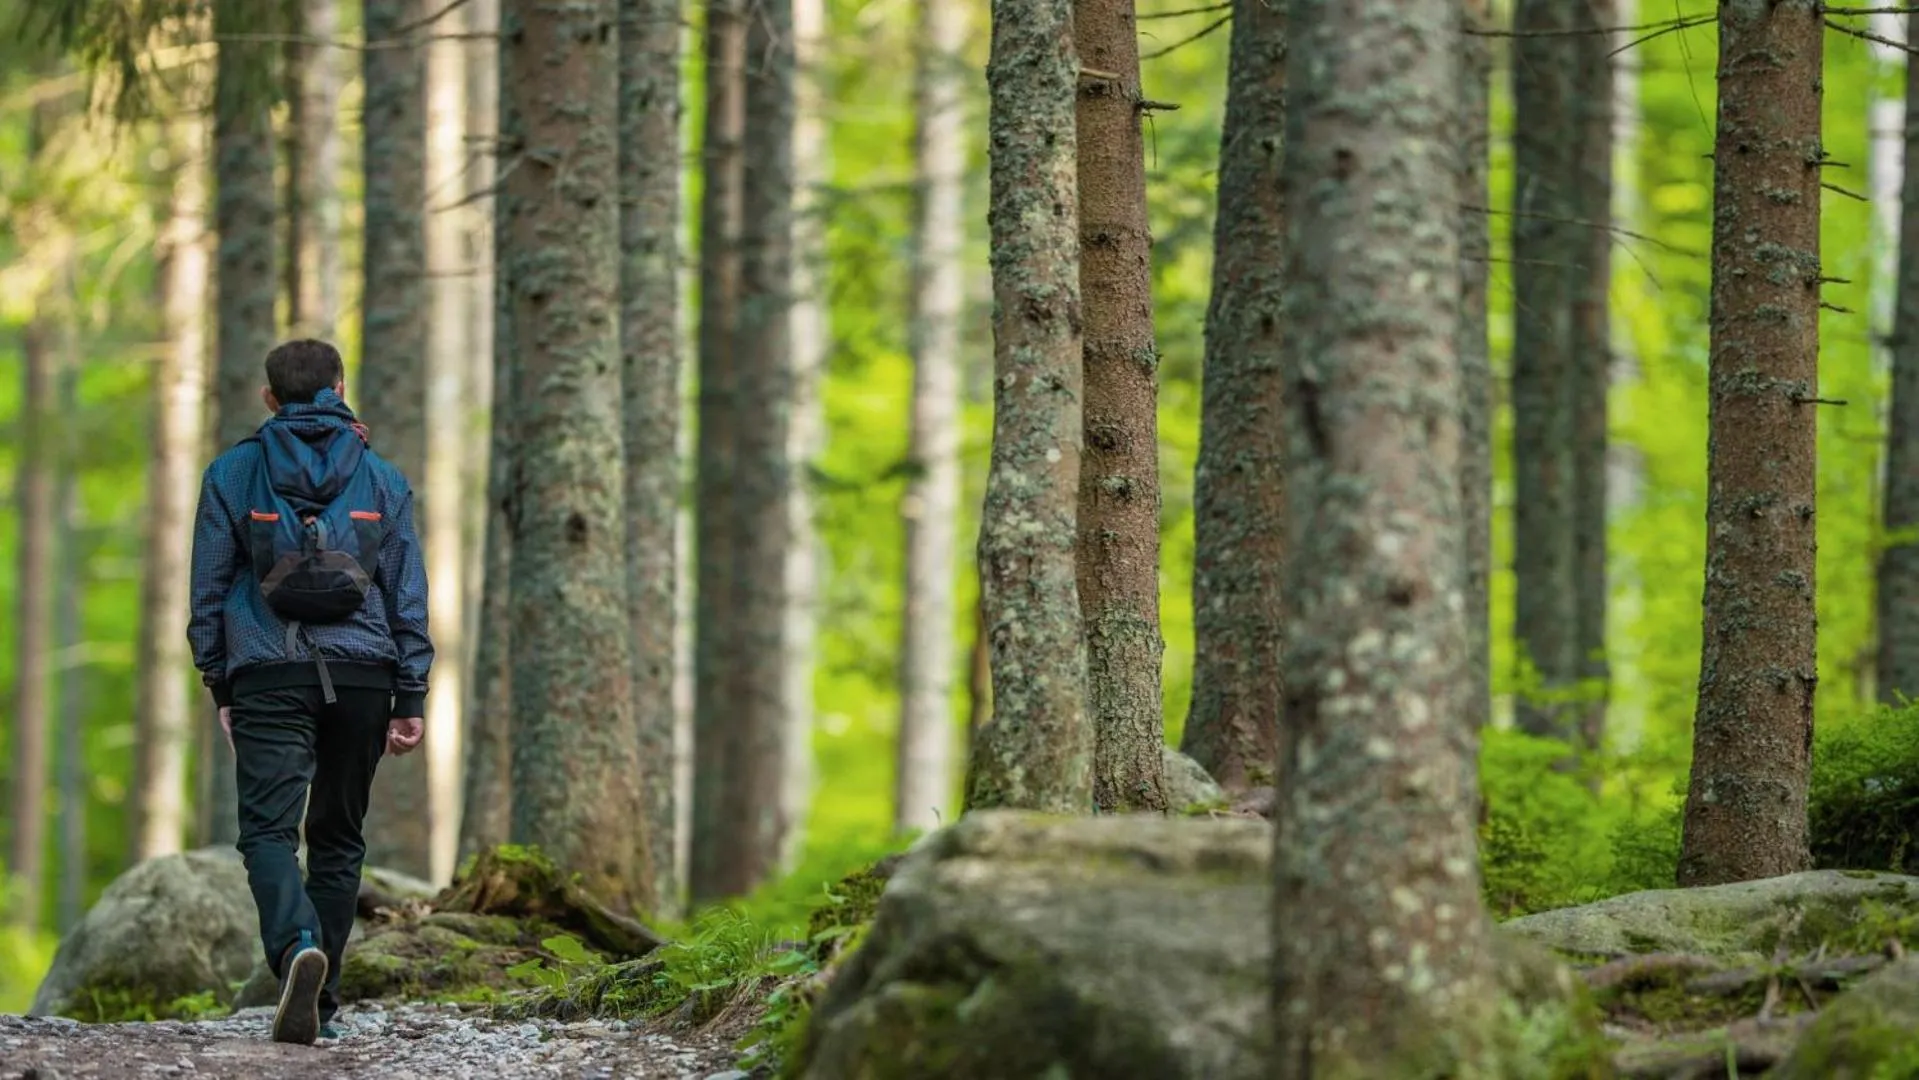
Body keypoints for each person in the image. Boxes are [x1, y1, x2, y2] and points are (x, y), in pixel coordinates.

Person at [187, 339, 432, 1045]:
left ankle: (298, 950)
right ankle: (319, 1004)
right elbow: (405, 590)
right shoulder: (381, 478)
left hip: (267, 671)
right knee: (338, 836)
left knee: (267, 832)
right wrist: (410, 693)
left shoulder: (234, 472)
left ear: (270, 398)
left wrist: (218, 679)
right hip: (364, 678)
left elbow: (209, 588)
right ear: (341, 387)